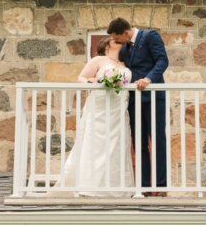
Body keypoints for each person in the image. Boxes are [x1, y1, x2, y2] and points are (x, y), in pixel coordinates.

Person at [55, 37, 134, 197]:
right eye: (115, 40)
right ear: (106, 45)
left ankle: (116, 189)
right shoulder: (99, 59)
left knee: (116, 147)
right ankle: (89, 186)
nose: (120, 41)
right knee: (96, 145)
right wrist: (92, 82)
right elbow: (81, 78)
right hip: (100, 107)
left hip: (118, 109)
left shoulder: (125, 64)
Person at [107, 17, 169, 196]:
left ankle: (161, 186)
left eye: (117, 38)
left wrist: (148, 79)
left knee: (158, 140)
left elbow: (162, 61)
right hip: (134, 100)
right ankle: (143, 187)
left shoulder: (150, 36)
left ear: (125, 33)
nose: (115, 42)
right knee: (139, 143)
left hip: (154, 97)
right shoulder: (125, 48)